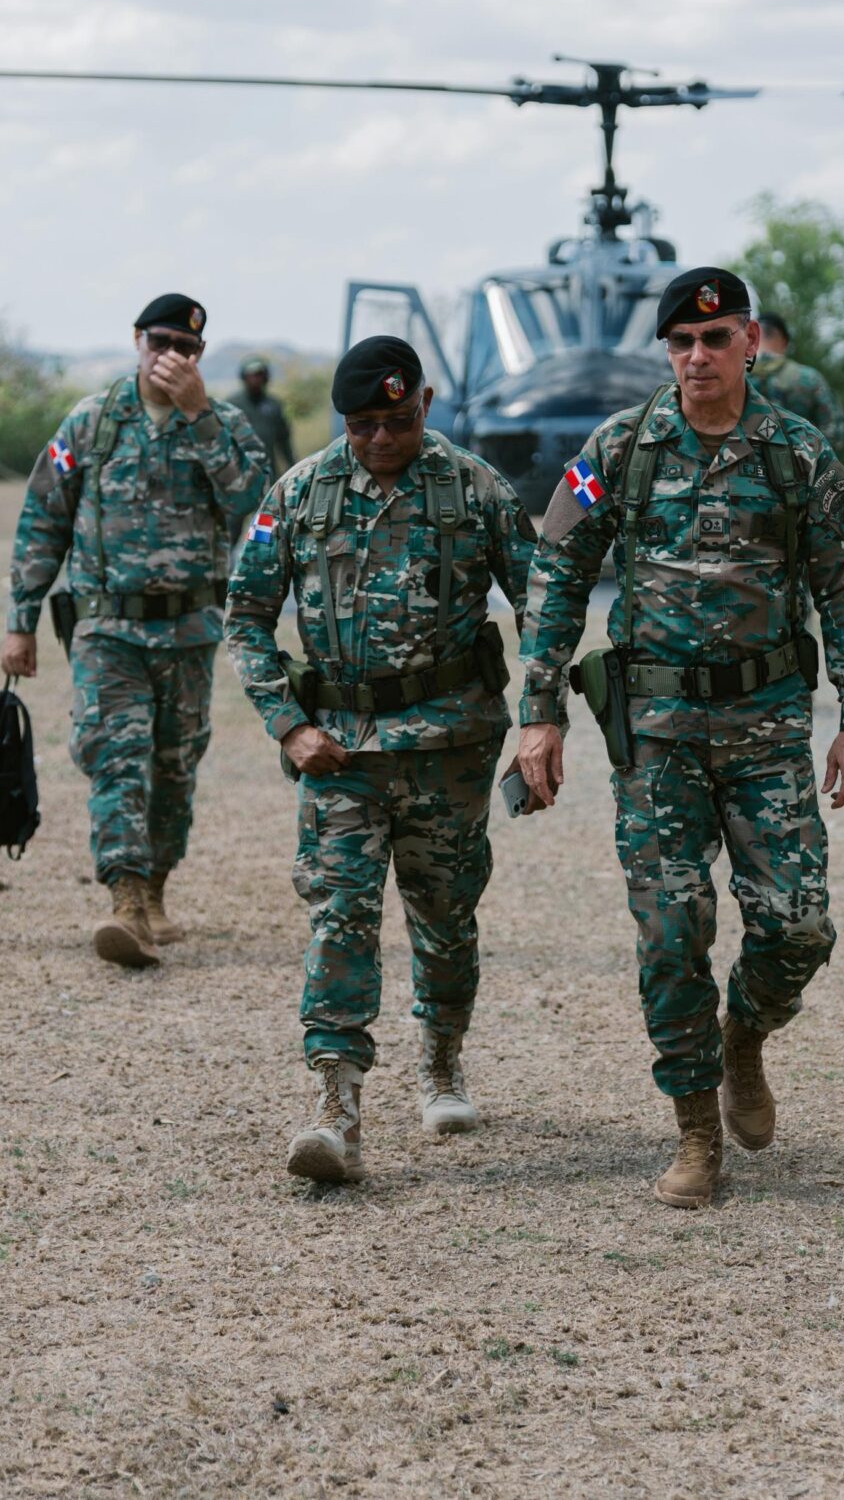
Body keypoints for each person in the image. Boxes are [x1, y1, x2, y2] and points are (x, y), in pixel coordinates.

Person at [516, 267, 844, 1210]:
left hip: (766, 730)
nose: (697, 357)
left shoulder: (796, 455)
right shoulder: (623, 447)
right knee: (672, 932)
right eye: (681, 342)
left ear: (750, 343)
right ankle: (693, 1131)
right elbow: (558, 567)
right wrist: (541, 708)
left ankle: (744, 1037)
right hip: (658, 735)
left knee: (798, 924)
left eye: (716, 340)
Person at [225, 336, 537, 1183]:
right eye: (363, 425)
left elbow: (539, 597)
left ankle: (441, 1055)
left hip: (450, 745)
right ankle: (336, 1100)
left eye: (398, 421)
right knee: (341, 913)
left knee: (444, 916)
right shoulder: (300, 493)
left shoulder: (474, 487)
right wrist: (289, 725)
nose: (381, 440)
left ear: (426, 404)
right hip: (339, 752)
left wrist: (543, 718)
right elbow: (246, 616)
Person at [1, 293, 269, 968]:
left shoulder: (222, 423)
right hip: (106, 630)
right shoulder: (93, 422)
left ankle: (154, 889)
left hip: (189, 631)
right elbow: (43, 518)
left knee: (174, 768)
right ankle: (124, 902)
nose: (171, 357)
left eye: (187, 348)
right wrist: (21, 621)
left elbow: (253, 502)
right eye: (160, 342)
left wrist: (199, 416)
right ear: (136, 340)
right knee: (118, 756)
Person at [751, 312, 844, 451]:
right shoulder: (809, 378)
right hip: (799, 468)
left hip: (742, 469)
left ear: (752, 337)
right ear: (784, 341)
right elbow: (835, 435)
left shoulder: (734, 377)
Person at [239, 356, 298, 481]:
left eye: (259, 374)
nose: (255, 379)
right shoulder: (233, 405)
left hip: (268, 473)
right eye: (251, 375)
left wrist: (294, 468)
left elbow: (284, 441)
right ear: (244, 377)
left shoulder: (274, 405)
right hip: (240, 474)